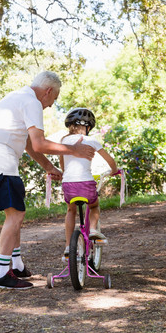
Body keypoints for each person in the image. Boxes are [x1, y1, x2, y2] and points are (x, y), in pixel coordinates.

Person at [0, 71, 95, 290]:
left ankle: (16, 265)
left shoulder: (16, 96)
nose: (49, 106)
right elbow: (39, 143)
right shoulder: (33, 102)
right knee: (16, 215)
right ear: (48, 91)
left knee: (14, 211)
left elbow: (28, 143)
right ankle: (1, 275)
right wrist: (73, 150)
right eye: (53, 99)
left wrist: (49, 167)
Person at [59, 107, 118, 257]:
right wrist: (114, 170)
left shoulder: (64, 141)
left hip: (69, 185)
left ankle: (67, 247)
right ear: (88, 126)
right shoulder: (91, 140)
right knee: (94, 205)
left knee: (70, 211)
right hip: (86, 183)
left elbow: (63, 165)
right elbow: (110, 161)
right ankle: (93, 230)